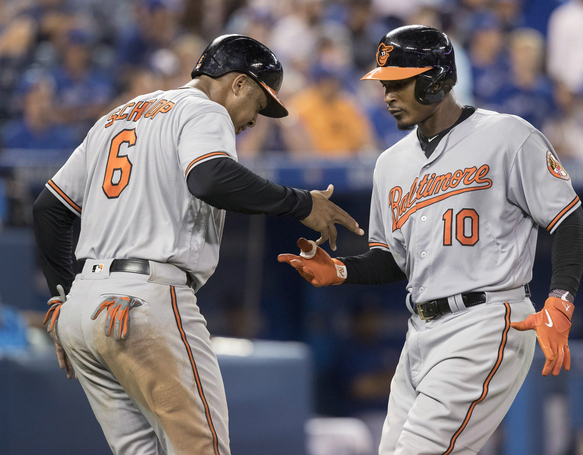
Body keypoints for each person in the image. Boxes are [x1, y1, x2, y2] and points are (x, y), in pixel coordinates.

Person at [31, 34, 363, 455]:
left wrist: (64, 298)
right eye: (258, 106)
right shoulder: (206, 110)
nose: (253, 122)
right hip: (144, 302)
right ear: (238, 84)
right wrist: (300, 204)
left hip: (83, 310)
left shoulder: (117, 116)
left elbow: (48, 208)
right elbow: (209, 178)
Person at [279, 25, 583, 455]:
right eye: (384, 84)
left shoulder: (508, 136)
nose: (387, 95)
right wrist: (341, 270)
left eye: (398, 83)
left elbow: (570, 220)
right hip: (420, 332)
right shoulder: (390, 163)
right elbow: (392, 260)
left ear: (436, 80)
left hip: (487, 319)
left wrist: (561, 299)